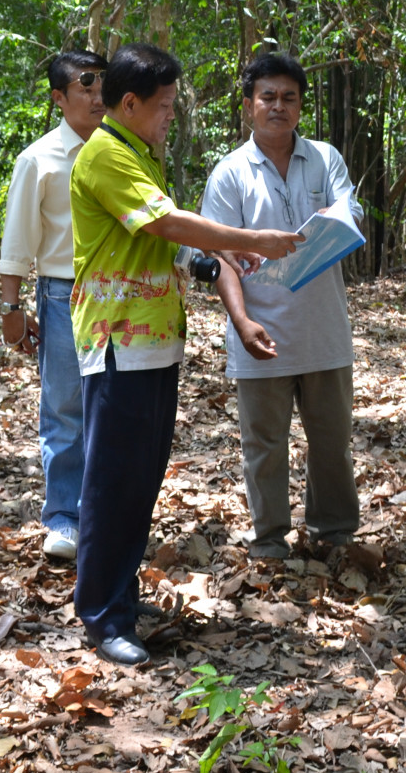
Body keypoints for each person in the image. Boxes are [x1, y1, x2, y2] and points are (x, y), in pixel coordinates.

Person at [70, 42, 303, 666]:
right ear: (129, 103)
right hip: (119, 340)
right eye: (165, 105)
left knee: (140, 479)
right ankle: (100, 613)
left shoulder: (139, 156)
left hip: (154, 341)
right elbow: (165, 223)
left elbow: (160, 241)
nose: (172, 115)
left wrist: (209, 262)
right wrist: (253, 237)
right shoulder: (105, 155)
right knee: (113, 482)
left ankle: (119, 591)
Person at [201, 51, 364, 561]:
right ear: (249, 104)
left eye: (288, 97)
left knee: (332, 442)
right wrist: (242, 320)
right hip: (260, 331)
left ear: (300, 105)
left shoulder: (324, 158)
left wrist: (329, 226)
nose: (278, 106)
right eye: (267, 96)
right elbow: (221, 257)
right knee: (265, 447)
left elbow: (347, 214)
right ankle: (270, 540)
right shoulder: (230, 174)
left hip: (324, 331)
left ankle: (333, 533)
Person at [0, 49, 108, 562]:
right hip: (63, 293)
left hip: (116, 292)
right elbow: (19, 237)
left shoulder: (120, 152)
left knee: (108, 406)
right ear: (59, 97)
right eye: (84, 87)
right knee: (64, 408)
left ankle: (103, 513)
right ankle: (64, 517)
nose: (96, 96)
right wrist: (11, 307)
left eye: (102, 85)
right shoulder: (38, 159)